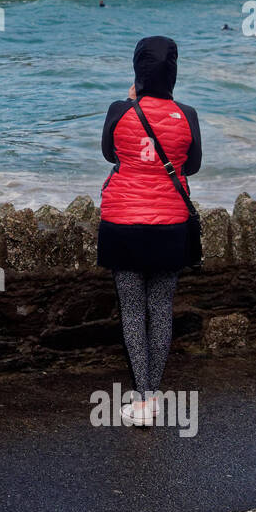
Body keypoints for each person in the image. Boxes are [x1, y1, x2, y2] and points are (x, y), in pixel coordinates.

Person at [98, 36, 202, 426]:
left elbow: (111, 154)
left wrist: (132, 102)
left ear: (137, 70)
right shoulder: (187, 114)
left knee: (131, 311)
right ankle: (152, 397)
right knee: (160, 309)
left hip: (123, 224)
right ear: (173, 71)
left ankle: (141, 398)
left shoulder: (118, 110)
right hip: (170, 225)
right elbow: (191, 166)